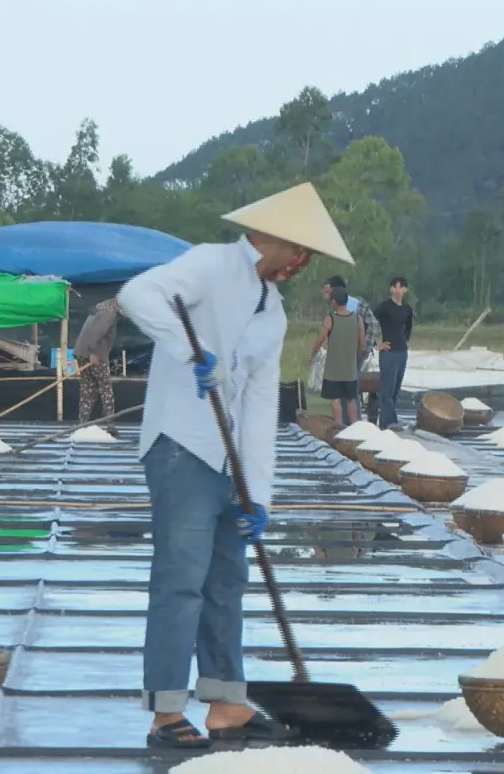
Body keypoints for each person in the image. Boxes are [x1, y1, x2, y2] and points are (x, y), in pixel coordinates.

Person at [117, 181, 354, 750]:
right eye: (300, 253)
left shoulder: (270, 312)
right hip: (181, 446)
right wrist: (189, 350)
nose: (301, 265)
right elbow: (137, 296)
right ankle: (165, 713)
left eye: (308, 258)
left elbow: (259, 405)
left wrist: (259, 493)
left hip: (230, 461)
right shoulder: (208, 265)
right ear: (276, 240)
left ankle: (225, 703)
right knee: (181, 581)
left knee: (226, 581)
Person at [322, 276, 380, 423]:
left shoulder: (355, 304)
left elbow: (372, 324)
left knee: (350, 391)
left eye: (328, 292)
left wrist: (362, 350)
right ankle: (344, 422)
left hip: (353, 354)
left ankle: (354, 425)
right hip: (341, 355)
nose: (326, 296)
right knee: (343, 391)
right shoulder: (336, 309)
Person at [312, 288, 365, 424]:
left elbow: (319, 341)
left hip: (333, 370)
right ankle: (354, 427)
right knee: (350, 400)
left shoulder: (330, 319)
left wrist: (312, 355)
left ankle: (338, 426)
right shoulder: (357, 319)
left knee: (335, 399)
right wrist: (356, 357)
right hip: (350, 369)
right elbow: (362, 343)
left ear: (334, 302)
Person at [74, 298, 121, 437]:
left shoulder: (99, 310)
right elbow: (96, 333)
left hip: (81, 352)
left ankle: (82, 423)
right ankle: (110, 424)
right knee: (106, 388)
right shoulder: (109, 314)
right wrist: (93, 352)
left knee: (88, 388)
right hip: (95, 354)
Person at [373, 276, 413, 428]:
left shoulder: (407, 308)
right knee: (387, 389)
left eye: (401, 287)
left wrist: (405, 339)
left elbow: (409, 325)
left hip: (402, 352)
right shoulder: (384, 306)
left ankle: (388, 420)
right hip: (388, 352)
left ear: (405, 290)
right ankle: (389, 422)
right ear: (391, 289)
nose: (398, 290)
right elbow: (367, 321)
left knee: (396, 388)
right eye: (395, 287)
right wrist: (377, 344)